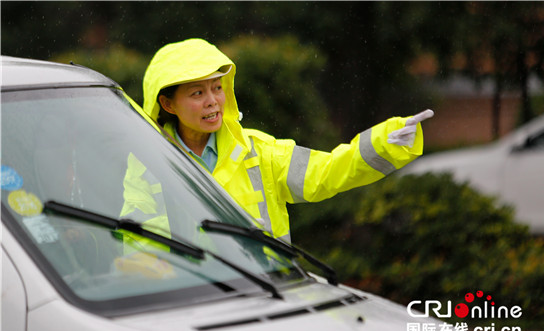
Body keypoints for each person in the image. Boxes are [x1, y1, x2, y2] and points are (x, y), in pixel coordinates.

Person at [142, 38, 432, 243]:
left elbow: (327, 172)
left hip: (267, 300)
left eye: (217, 88)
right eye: (197, 93)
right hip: (185, 311)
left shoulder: (259, 152)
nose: (213, 101)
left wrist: (386, 141)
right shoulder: (146, 164)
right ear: (168, 105)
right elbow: (138, 241)